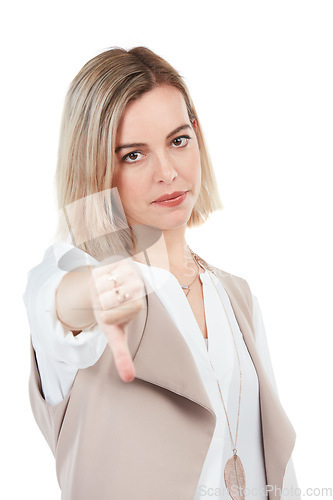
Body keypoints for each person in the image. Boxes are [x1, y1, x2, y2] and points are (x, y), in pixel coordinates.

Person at [23, 46, 300, 500]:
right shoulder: (77, 281)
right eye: (134, 155)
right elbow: (57, 299)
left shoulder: (237, 296)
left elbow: (275, 465)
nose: (168, 172)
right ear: (97, 169)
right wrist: (95, 292)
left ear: (198, 138)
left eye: (178, 140)